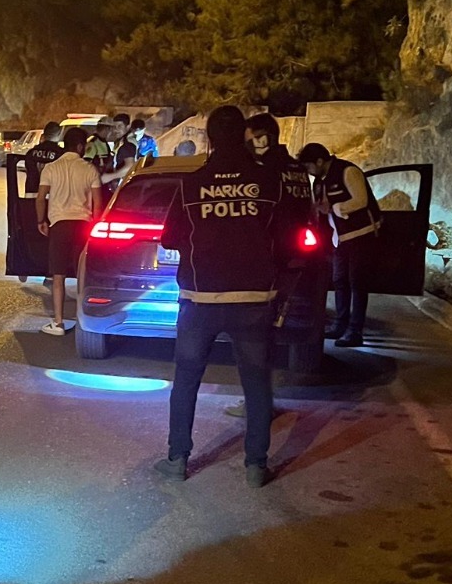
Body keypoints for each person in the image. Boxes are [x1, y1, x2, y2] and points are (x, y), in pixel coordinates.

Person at [155, 104, 285, 487]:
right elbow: (286, 236)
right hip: (253, 299)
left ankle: (178, 460)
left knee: (187, 379)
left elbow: (169, 238)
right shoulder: (269, 182)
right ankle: (255, 467)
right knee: (256, 382)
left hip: (201, 299)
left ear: (209, 139)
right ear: (244, 136)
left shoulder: (191, 184)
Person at [297, 142, 380, 346]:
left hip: (361, 234)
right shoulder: (319, 182)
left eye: (309, 166)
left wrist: (334, 207)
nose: (309, 171)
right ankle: (340, 325)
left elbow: (361, 200)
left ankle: (355, 330)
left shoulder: (348, 171)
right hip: (339, 238)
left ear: (319, 161)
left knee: (357, 282)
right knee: (339, 280)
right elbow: (320, 210)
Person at [35, 126, 102, 336]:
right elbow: (98, 204)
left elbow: (40, 198)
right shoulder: (89, 169)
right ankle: (84, 320)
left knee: (58, 275)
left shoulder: (51, 168)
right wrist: (96, 226)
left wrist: (41, 221)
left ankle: (58, 322)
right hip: (83, 225)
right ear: (81, 146)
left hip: (60, 225)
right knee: (83, 275)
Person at [23, 121, 65, 194]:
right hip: (53, 196)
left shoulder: (31, 153)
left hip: (32, 193)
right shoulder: (61, 154)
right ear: (59, 135)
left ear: (44, 134)